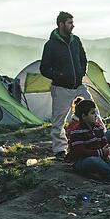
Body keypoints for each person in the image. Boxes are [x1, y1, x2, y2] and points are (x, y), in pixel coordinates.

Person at [40, 12, 90, 159]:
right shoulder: (51, 45)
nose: (73, 25)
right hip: (61, 88)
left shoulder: (76, 41)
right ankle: (60, 150)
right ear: (61, 24)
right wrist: (60, 75)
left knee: (94, 112)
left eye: (72, 22)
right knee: (59, 120)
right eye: (69, 23)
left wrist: (81, 72)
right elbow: (44, 68)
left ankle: (101, 140)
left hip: (79, 85)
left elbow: (83, 59)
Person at [65, 96, 110, 181]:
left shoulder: (98, 128)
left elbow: (104, 143)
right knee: (93, 161)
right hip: (83, 160)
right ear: (84, 116)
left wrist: (108, 154)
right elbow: (80, 152)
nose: (96, 116)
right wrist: (100, 152)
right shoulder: (77, 131)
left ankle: (98, 173)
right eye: (93, 113)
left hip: (100, 159)